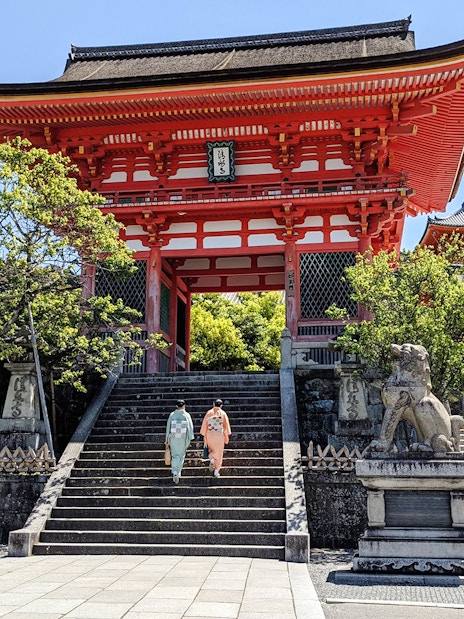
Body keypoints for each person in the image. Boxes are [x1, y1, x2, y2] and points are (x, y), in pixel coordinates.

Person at [165, 399, 194, 484]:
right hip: (183, 437)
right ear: (184, 406)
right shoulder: (186, 415)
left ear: (176, 406)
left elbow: (168, 427)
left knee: (174, 455)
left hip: (174, 437)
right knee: (181, 455)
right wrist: (190, 437)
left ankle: (175, 472)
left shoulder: (172, 415)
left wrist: (167, 438)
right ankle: (178, 471)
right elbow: (190, 427)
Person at [200, 399, 231, 478]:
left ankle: (212, 459)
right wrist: (226, 435)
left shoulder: (209, 412)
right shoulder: (223, 413)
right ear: (221, 405)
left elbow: (205, 424)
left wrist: (204, 434)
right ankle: (216, 471)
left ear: (214, 404)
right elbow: (226, 426)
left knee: (212, 449)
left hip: (210, 434)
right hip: (219, 434)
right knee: (219, 452)